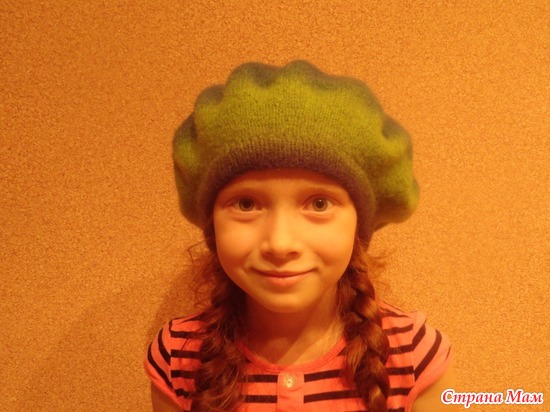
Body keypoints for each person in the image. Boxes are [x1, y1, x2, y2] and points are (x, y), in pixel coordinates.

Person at [145, 60, 457, 411]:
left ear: (359, 223)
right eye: (246, 204)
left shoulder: (414, 357)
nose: (280, 244)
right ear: (212, 224)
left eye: (319, 204)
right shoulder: (178, 356)